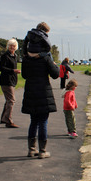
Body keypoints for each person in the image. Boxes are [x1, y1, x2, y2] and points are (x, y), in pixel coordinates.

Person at [21, 29, 60, 159]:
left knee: (33, 121)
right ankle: (42, 151)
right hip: (43, 92)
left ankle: (31, 150)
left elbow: (25, 75)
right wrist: (54, 65)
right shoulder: (45, 59)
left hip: (31, 92)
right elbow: (55, 75)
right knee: (43, 122)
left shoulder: (26, 59)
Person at [0, 38, 21, 128]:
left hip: (12, 80)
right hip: (6, 81)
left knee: (8, 100)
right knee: (11, 100)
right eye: (11, 45)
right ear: (8, 46)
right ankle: (8, 120)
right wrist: (13, 70)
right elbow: (1, 68)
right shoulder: (5, 56)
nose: (12, 47)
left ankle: (3, 118)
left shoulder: (14, 56)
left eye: (14, 46)